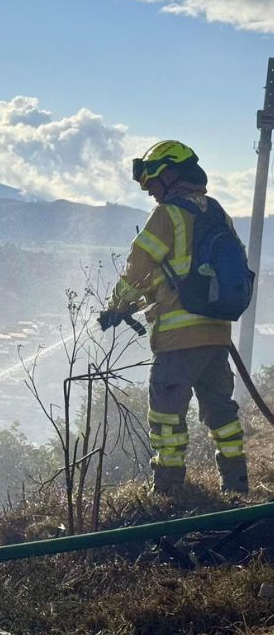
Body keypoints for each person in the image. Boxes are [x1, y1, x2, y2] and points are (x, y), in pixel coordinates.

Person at [100, 140, 247, 494]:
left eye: (152, 183)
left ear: (169, 173)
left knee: (166, 418)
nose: (151, 192)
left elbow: (138, 267)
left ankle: (168, 491)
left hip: (178, 341)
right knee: (222, 414)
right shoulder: (217, 212)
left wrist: (116, 306)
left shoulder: (168, 215)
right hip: (217, 335)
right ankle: (237, 484)